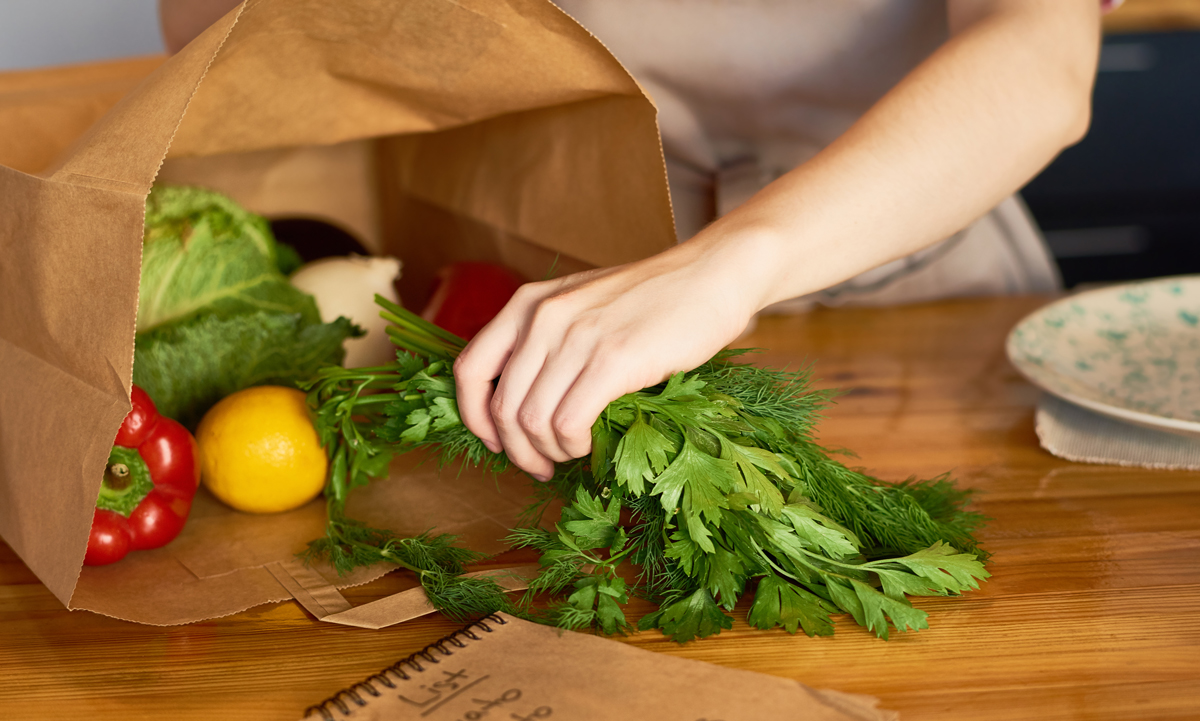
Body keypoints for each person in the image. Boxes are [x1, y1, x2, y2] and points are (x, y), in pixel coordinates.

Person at [161, 0, 1106, 481]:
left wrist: (728, 266)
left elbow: (1041, 57)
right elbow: (217, 39)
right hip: (558, 285)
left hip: (911, 265)